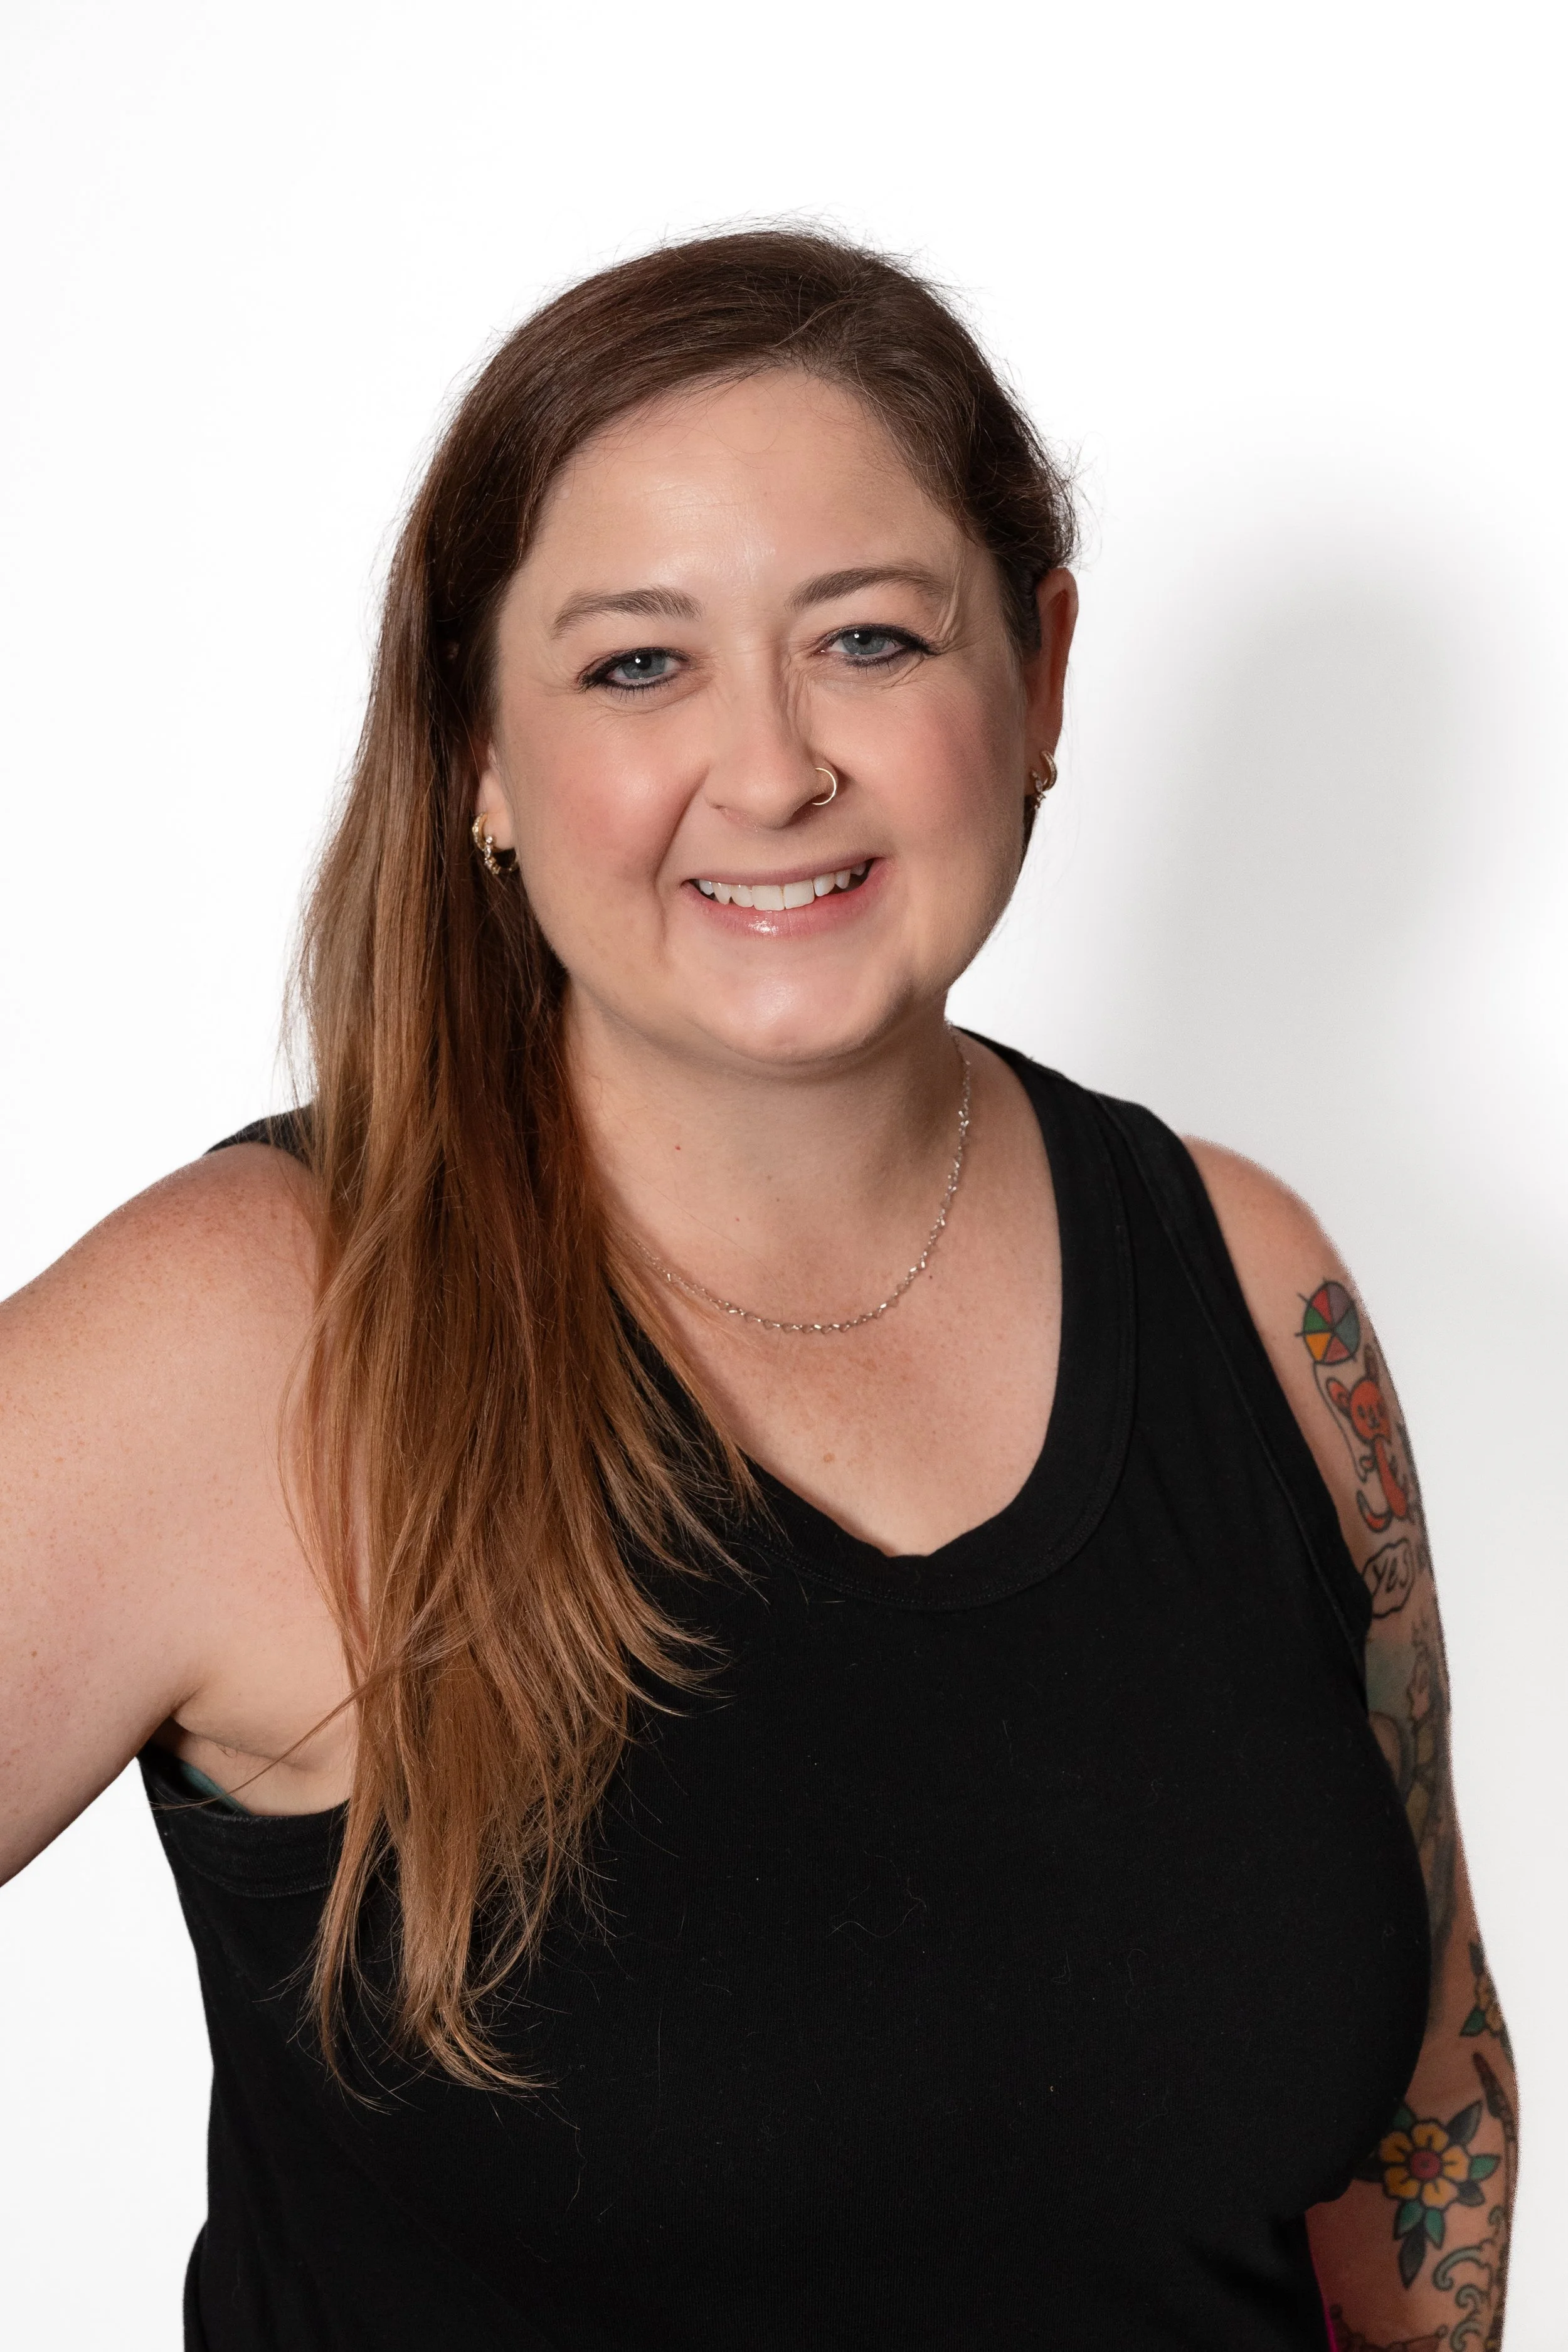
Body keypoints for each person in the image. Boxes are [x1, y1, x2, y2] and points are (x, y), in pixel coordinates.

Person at [0, 230, 1516, 2351]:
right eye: (638, 664)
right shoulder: (260, 1333)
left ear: (1040, 679)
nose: (776, 765)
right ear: (477, 759)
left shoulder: (1249, 1278)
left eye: (872, 638)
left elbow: (1423, 2080)